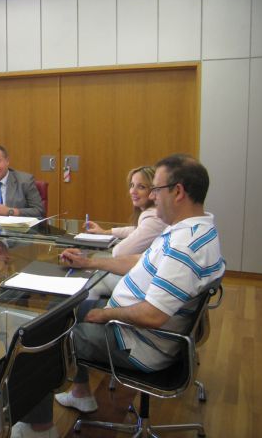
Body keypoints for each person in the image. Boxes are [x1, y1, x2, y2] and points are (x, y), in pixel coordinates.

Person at [53, 154, 225, 414]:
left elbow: (152, 315)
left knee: (46, 338)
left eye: (156, 189)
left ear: (178, 192)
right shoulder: (193, 228)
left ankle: (39, 426)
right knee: (65, 309)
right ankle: (80, 392)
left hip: (136, 343)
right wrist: (89, 263)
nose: (152, 196)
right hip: (136, 331)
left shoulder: (184, 247)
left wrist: (105, 314)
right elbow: (139, 260)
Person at [85, 165, 167, 298]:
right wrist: (106, 232)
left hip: (146, 285)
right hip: (149, 278)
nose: (133, 191)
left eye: (141, 187)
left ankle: (85, 308)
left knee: (93, 271)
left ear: (153, 191)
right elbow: (136, 230)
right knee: (95, 272)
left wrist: (114, 244)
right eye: (132, 185)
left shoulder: (153, 217)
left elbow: (119, 252)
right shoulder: (153, 214)